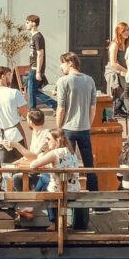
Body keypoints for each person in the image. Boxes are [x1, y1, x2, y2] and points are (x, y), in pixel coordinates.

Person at [54, 52, 97, 200]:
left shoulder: (63, 81)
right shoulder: (90, 80)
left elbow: (61, 108)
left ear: (70, 63)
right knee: (89, 164)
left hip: (68, 128)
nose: (61, 66)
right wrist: (88, 124)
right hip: (84, 127)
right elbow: (93, 108)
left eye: (63, 63)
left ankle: (69, 196)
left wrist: (58, 128)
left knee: (68, 164)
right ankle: (96, 198)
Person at [25, 128, 82, 232]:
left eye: (49, 139)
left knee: (44, 181)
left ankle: (34, 208)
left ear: (57, 141)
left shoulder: (55, 153)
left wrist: (42, 156)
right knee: (45, 180)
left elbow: (33, 165)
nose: (47, 141)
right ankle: (35, 209)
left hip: (61, 191)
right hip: (74, 189)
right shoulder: (71, 151)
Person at [0, 65, 28, 163]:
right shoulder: (14, 93)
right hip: (16, 134)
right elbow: (27, 115)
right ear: (3, 76)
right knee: (23, 165)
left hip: (0, 136)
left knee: (3, 169)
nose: (11, 78)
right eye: (9, 75)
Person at [25, 14, 55, 109]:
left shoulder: (37, 37)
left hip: (35, 68)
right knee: (33, 90)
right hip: (34, 67)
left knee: (31, 91)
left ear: (33, 23)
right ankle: (54, 105)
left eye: (27, 22)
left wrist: (38, 71)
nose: (26, 24)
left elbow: (40, 54)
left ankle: (33, 110)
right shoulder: (34, 36)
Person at [105, 21, 129, 115]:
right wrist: (125, 71)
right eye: (124, 31)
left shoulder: (127, 45)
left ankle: (117, 108)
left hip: (123, 71)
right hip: (113, 71)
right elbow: (113, 63)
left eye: (128, 30)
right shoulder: (114, 45)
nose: (127, 32)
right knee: (122, 91)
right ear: (119, 32)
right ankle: (108, 115)